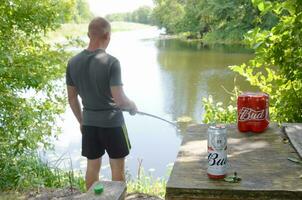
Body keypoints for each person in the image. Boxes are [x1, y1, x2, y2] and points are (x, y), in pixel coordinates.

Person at [65, 17, 137, 190]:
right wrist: (132, 106)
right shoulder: (112, 62)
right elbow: (120, 100)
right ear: (108, 36)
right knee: (117, 166)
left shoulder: (72, 63)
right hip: (112, 123)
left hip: (89, 123)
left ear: (88, 34)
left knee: (92, 166)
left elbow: (72, 97)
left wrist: (81, 121)